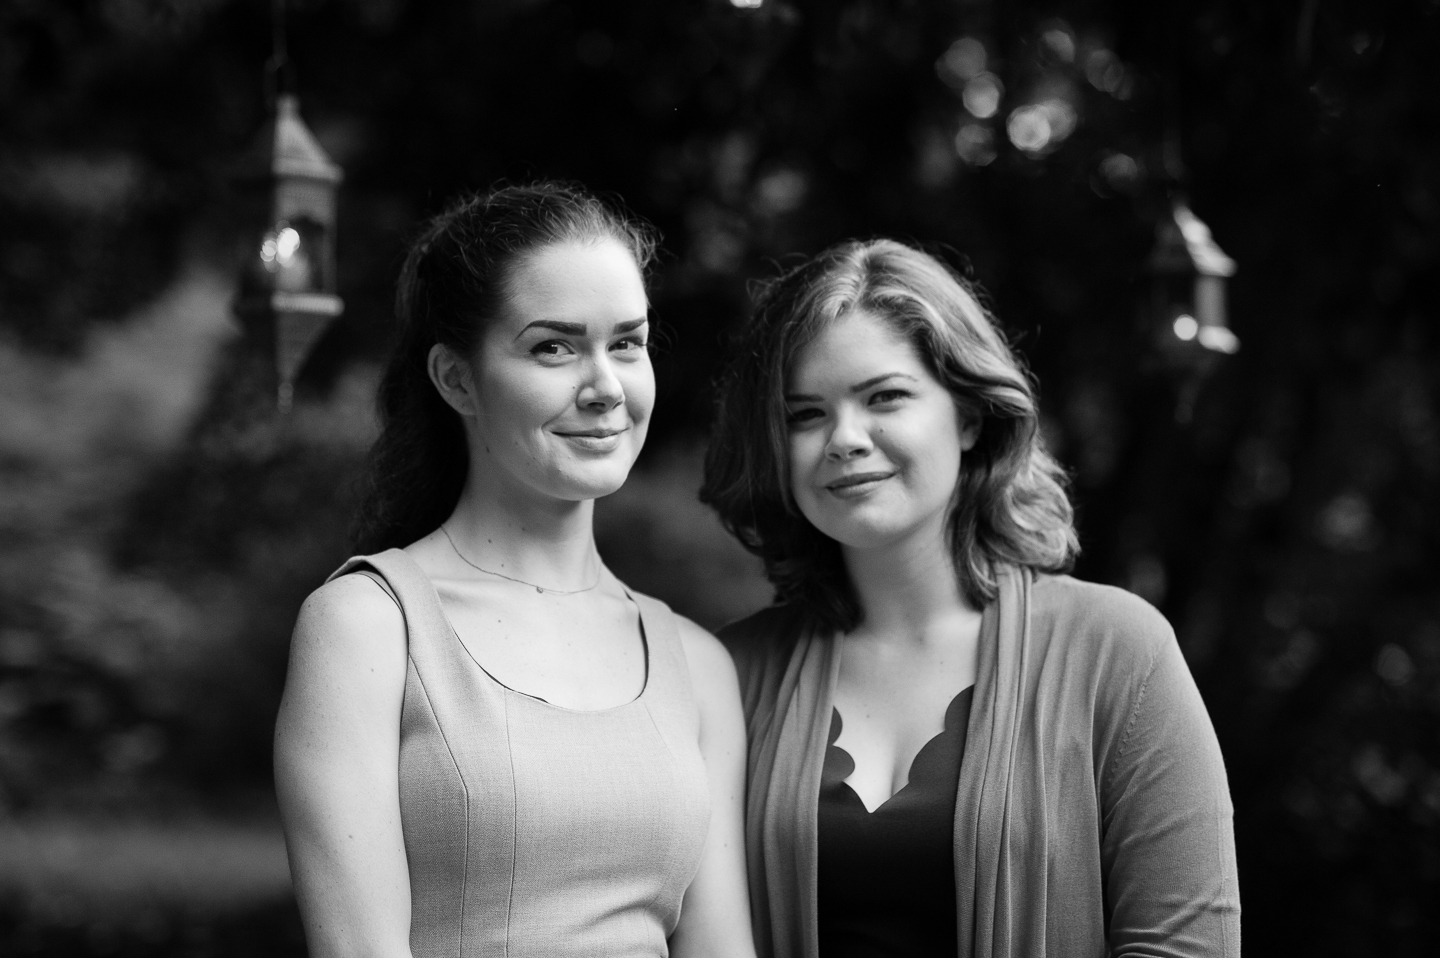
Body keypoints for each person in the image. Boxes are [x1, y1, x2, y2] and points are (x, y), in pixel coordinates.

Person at [700, 238, 1240, 958]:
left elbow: (1186, 947)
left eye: (884, 396)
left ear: (969, 416)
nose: (845, 439)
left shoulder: (1118, 651)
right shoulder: (725, 676)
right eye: (804, 415)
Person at [274, 182, 756, 958]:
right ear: (456, 379)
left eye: (626, 343)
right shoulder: (368, 628)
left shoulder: (697, 666)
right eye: (553, 347)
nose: (605, 387)